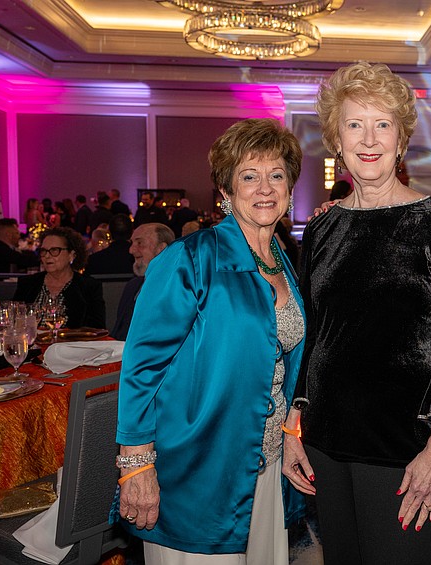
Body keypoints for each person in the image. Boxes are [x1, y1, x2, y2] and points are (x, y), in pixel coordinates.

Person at [283, 62, 431, 565]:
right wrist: (294, 423)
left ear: (401, 139)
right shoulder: (324, 229)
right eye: (354, 125)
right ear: (336, 139)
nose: (368, 139)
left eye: (382, 124)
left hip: (407, 446)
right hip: (328, 442)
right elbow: (313, 336)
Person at [115, 119, 306, 564]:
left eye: (276, 175)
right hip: (198, 469)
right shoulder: (189, 258)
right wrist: (137, 466)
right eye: (249, 176)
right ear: (225, 190)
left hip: (265, 464)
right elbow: (141, 367)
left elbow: (280, 366)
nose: (265, 188)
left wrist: (291, 432)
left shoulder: (282, 262)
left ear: (291, 189)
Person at [13, 227, 105, 329]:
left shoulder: (89, 287)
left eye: (54, 250)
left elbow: (97, 328)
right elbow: (13, 323)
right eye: (44, 251)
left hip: (72, 344)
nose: (47, 256)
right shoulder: (27, 283)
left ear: (72, 255)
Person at [109, 222, 174, 341]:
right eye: (132, 243)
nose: (131, 250)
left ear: (162, 250)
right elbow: (118, 334)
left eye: (140, 243)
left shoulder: (177, 291)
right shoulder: (132, 287)